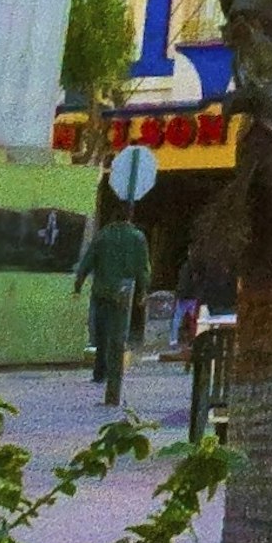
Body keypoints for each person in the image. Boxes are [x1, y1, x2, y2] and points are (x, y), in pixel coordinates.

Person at [177, 172, 246, 440]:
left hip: (212, 317)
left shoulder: (207, 253)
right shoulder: (242, 259)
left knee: (212, 363)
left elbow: (195, 279)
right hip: (232, 314)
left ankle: (202, 433)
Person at [83, 172, 156, 410]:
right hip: (124, 292)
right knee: (118, 337)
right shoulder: (137, 238)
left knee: (101, 334)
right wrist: (144, 292)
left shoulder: (103, 235)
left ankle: (99, 373)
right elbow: (143, 268)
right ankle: (113, 379)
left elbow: (88, 260)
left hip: (101, 290)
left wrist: (78, 283)